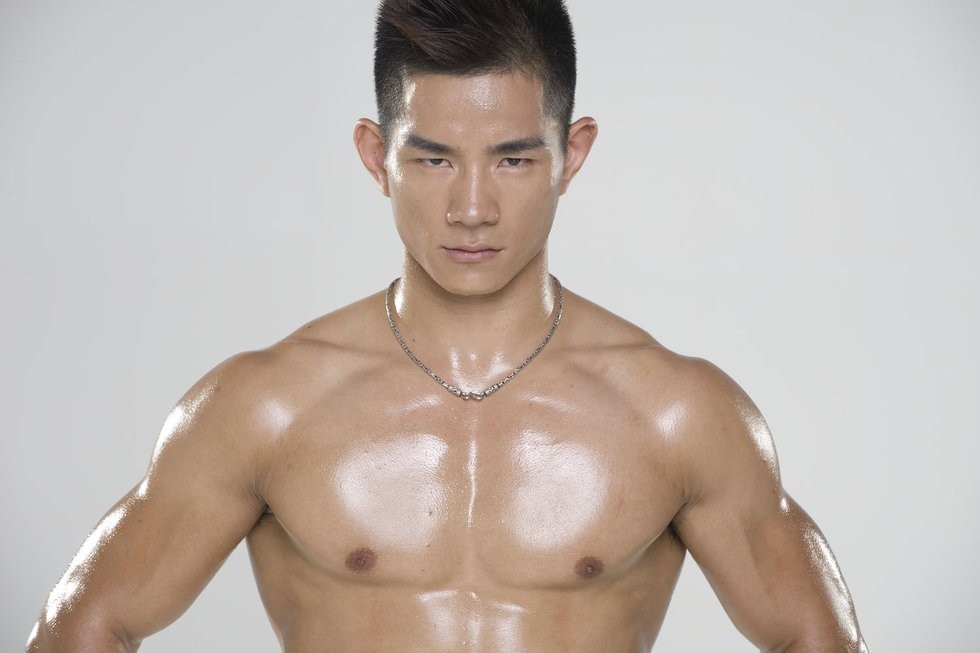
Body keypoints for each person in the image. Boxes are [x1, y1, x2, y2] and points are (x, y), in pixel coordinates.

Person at [27, 0, 868, 651]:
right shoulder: (266, 406)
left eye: (513, 158)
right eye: (432, 158)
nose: (471, 207)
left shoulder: (678, 413)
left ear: (572, 155)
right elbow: (83, 626)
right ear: (375, 156)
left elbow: (816, 638)